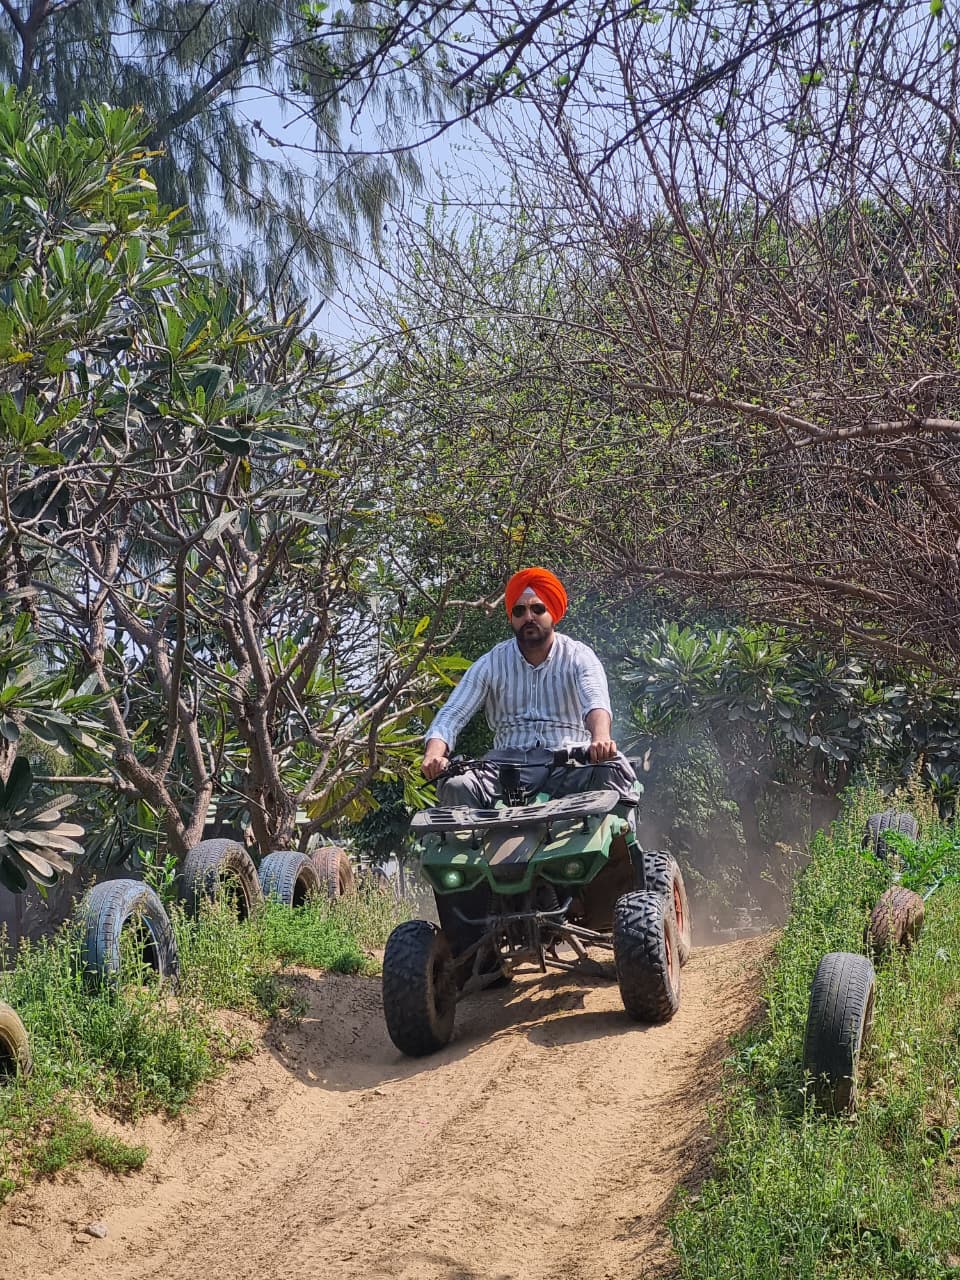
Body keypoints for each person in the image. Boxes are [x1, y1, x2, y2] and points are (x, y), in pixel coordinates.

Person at [422, 566, 639, 810]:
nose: (528, 617)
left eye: (538, 609)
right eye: (519, 610)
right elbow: (451, 714)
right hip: (505, 769)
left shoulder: (578, 656)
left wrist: (600, 739)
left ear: (552, 613)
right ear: (511, 618)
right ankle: (473, 834)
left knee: (610, 768)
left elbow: (595, 702)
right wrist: (433, 755)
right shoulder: (491, 662)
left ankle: (612, 835)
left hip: (570, 763)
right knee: (456, 784)